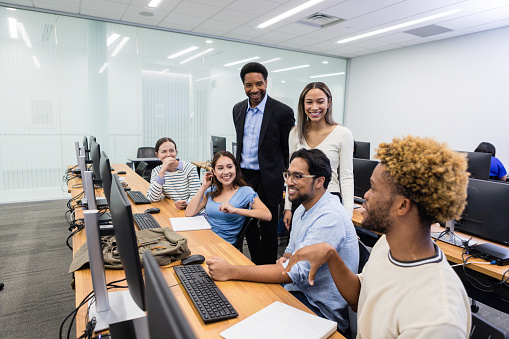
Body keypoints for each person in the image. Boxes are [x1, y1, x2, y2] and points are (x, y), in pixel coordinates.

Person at [284, 136, 472, 338]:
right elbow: (359, 297)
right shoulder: (388, 244)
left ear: (402, 206)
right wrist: (331, 256)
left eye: (373, 188)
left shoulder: (438, 317)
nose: (365, 195)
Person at [206, 149, 359, 335]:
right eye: (288, 174)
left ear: (320, 181)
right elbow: (289, 252)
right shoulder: (303, 208)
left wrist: (231, 270)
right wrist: (285, 260)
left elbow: (292, 273)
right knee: (236, 307)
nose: (288, 182)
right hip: (295, 292)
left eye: (298, 176)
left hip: (318, 310)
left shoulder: (330, 217)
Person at [233, 62, 295, 265]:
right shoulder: (238, 109)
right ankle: (254, 265)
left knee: (268, 229)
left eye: (259, 84)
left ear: (266, 82)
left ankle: (268, 269)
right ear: (243, 85)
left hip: (269, 179)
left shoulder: (282, 112)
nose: (254, 90)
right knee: (248, 225)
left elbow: (288, 152)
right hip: (245, 178)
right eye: (248, 85)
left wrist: (287, 180)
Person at [283, 82, 354, 232]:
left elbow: (347, 177)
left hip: (329, 198)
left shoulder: (343, 134)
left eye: (320, 101)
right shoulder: (295, 133)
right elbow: (291, 174)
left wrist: (348, 218)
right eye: (309, 102)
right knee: (297, 251)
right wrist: (288, 208)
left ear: (329, 103)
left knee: (322, 251)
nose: (314, 107)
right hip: (300, 199)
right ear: (303, 105)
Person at [185, 151, 271, 245]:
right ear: (213, 171)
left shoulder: (246, 191)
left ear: (236, 169)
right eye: (220, 168)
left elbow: (267, 215)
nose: (226, 172)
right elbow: (189, 213)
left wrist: (235, 210)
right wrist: (203, 187)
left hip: (223, 245)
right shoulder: (212, 190)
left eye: (229, 167)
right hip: (205, 238)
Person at [147, 137, 200, 209]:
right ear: (157, 155)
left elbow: (197, 197)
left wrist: (187, 203)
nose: (168, 154)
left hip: (190, 210)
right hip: (172, 210)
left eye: (172, 150)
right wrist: (162, 172)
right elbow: (153, 198)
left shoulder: (190, 169)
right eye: (163, 152)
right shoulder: (157, 171)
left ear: (176, 152)